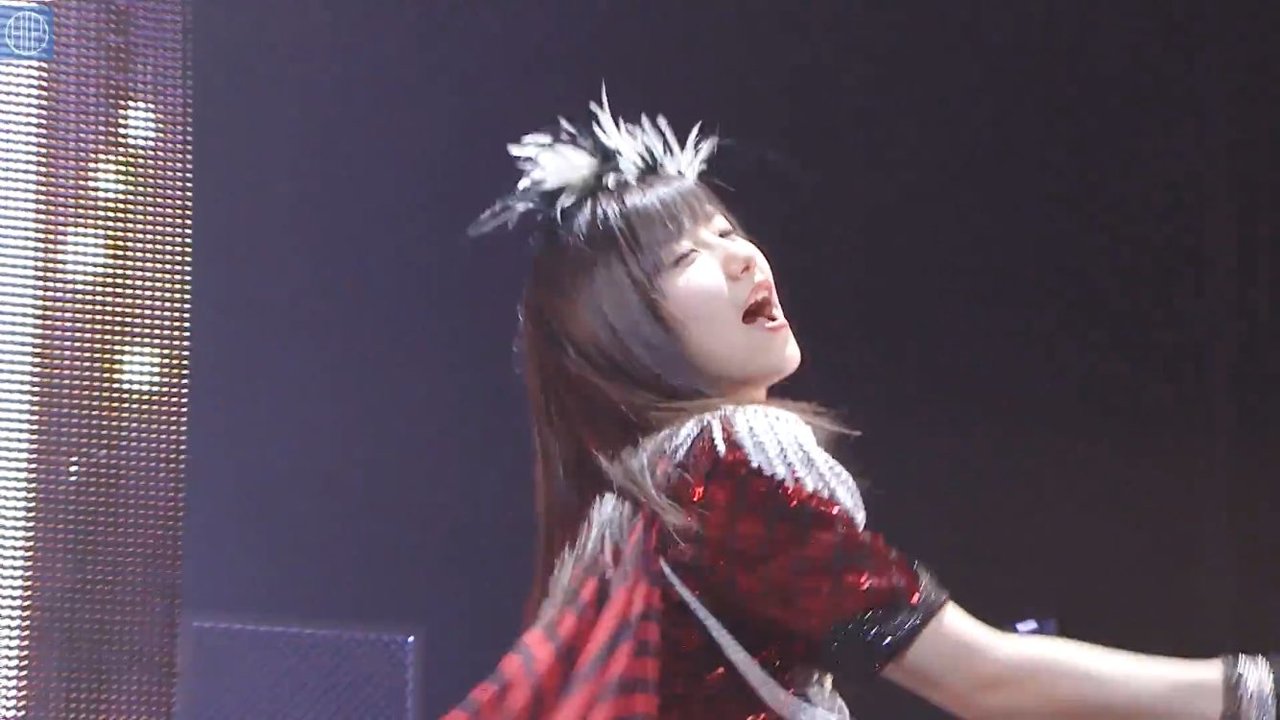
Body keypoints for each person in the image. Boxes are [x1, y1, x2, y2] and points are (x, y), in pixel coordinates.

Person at [445, 86, 1276, 719]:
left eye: (727, 231)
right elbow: (980, 678)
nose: (741, 257)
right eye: (684, 258)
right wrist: (1248, 691)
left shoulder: (633, 505)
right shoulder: (725, 461)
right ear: (622, 333)